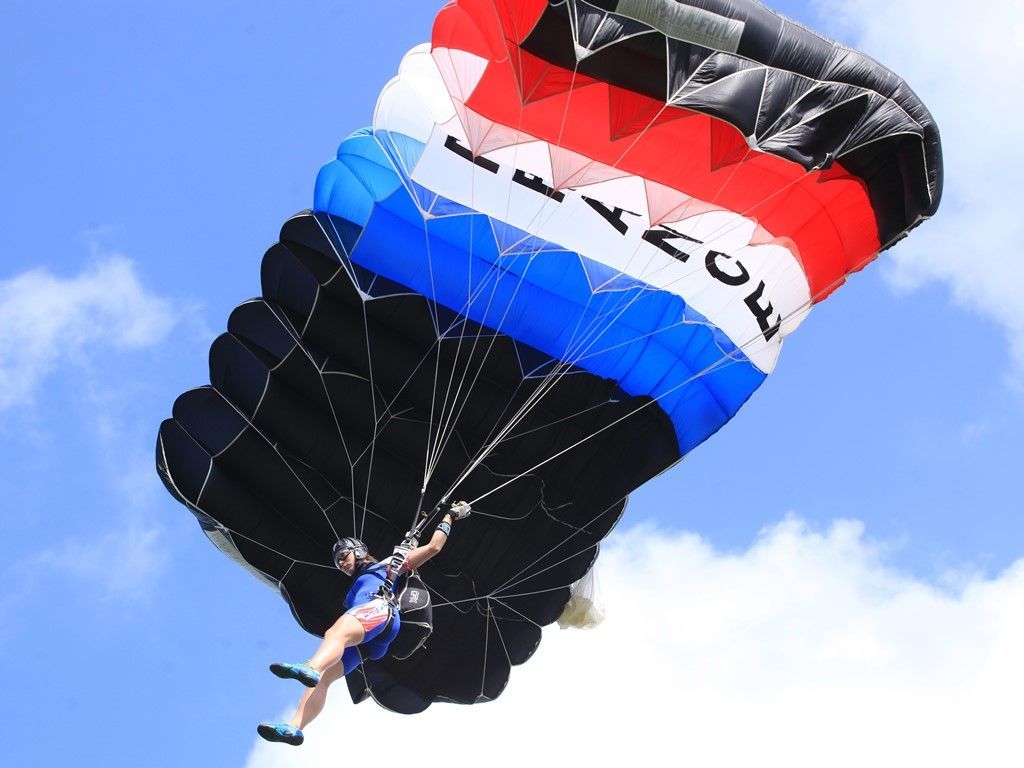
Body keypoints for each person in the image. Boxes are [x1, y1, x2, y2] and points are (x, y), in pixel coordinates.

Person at [257, 501, 471, 746]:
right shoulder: (354, 589)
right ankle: (295, 727)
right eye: (338, 563)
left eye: (343, 556)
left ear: (358, 551)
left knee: (335, 632)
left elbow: (434, 547)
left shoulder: (389, 564)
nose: (342, 564)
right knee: (325, 678)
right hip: (371, 641)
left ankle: (311, 667)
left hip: (380, 611)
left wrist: (449, 517)